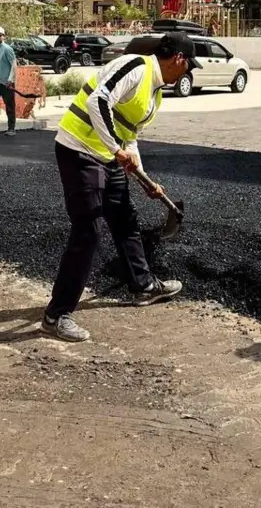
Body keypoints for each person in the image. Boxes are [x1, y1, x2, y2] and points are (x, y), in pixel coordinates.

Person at [42, 32, 200, 342]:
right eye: (188, 66)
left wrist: (144, 179)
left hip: (107, 156)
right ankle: (56, 315)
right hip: (79, 151)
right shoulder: (136, 67)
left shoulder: (154, 95)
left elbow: (129, 136)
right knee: (87, 232)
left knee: (126, 221)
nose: (187, 73)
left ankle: (143, 286)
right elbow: (97, 99)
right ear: (178, 59)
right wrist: (116, 149)